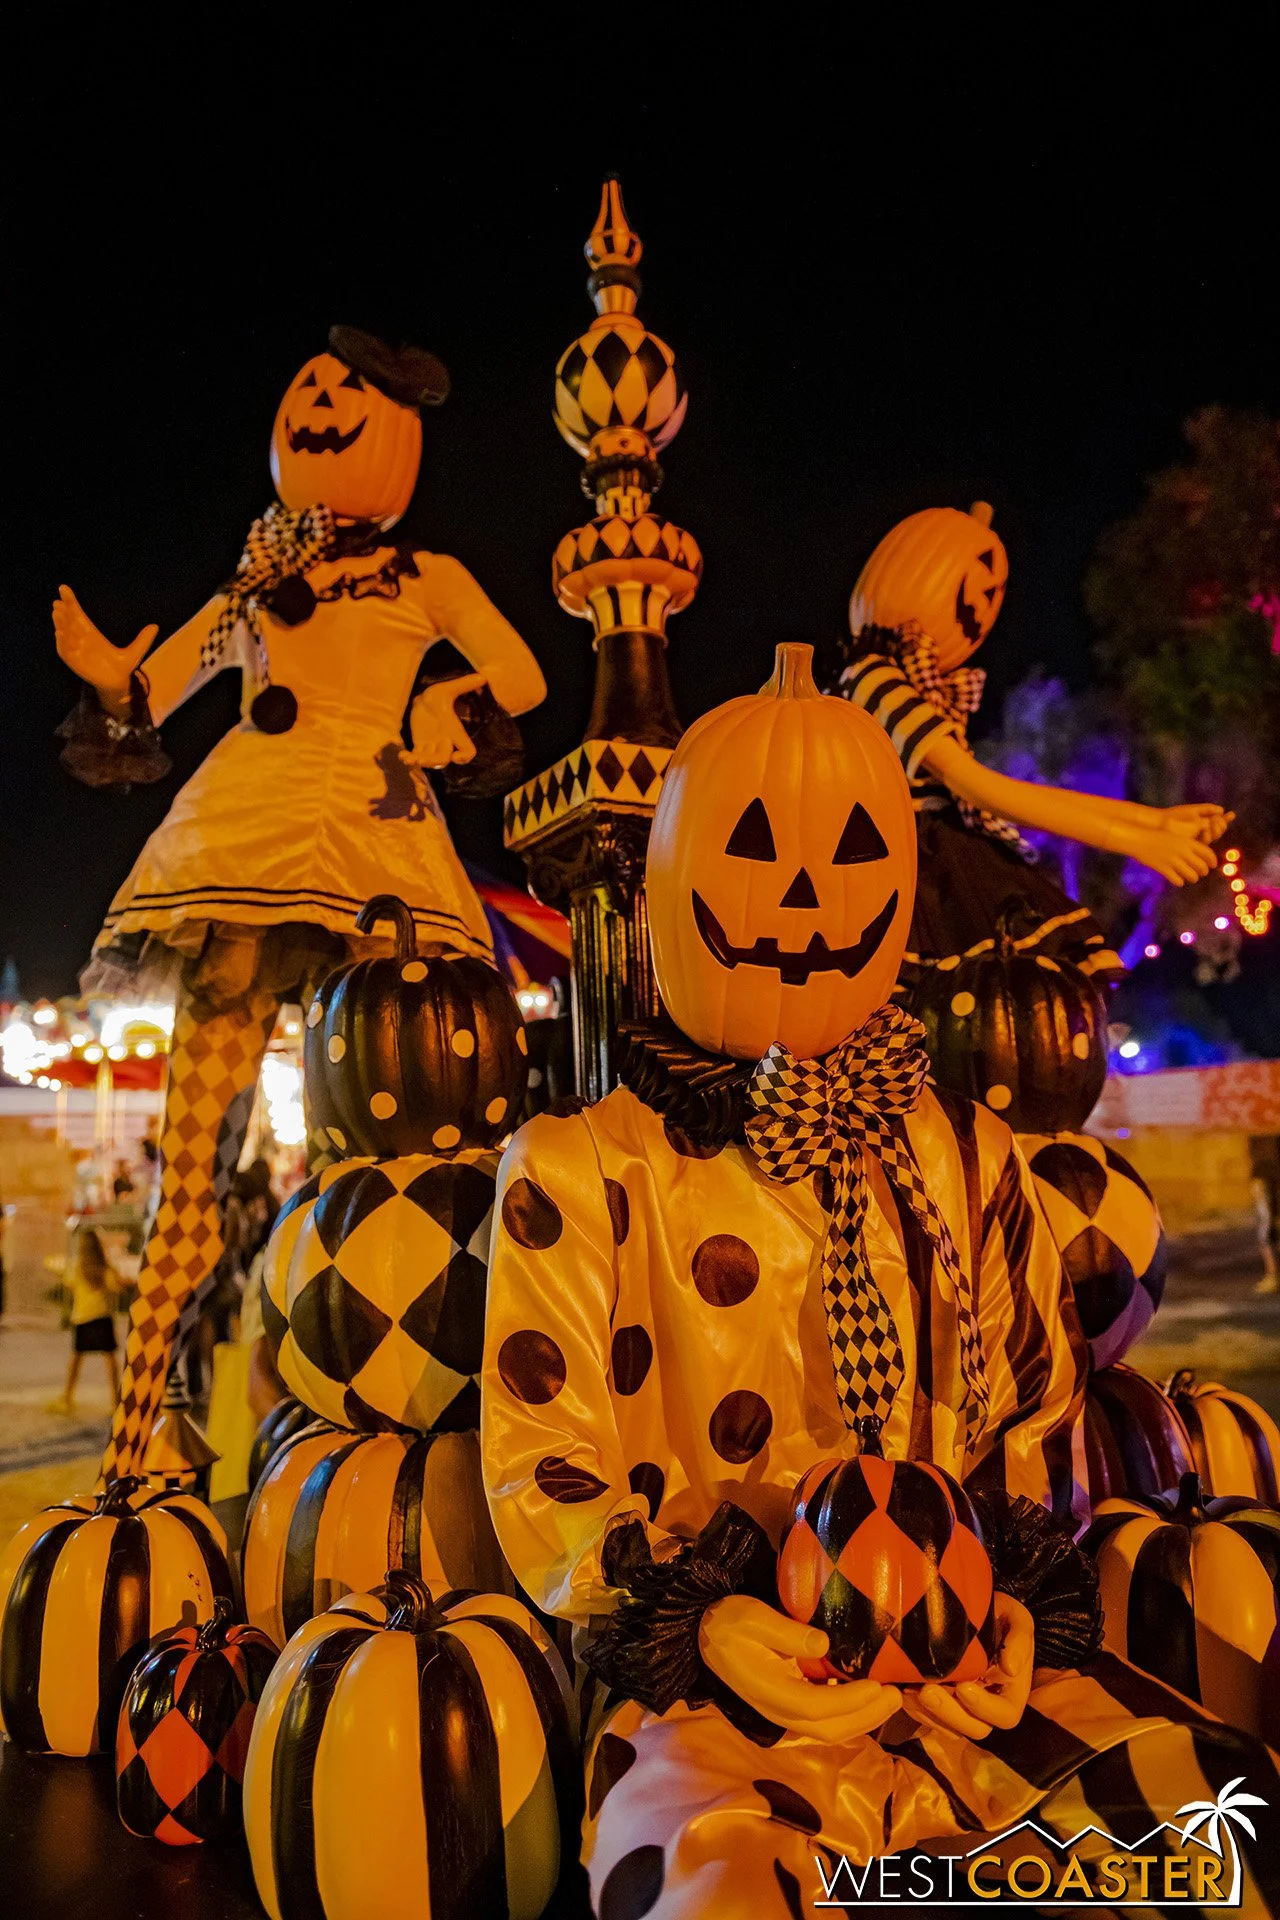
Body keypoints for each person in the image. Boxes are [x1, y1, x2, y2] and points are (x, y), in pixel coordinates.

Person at [482, 646, 1279, 1920]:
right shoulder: (584, 1167)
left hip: (969, 1678)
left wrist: (1012, 1604)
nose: (804, 893)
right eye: (752, 844)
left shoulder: (970, 1151)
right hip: (720, 1697)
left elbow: (1029, 1419)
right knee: (722, 1892)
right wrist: (703, 1622)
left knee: (1215, 1844)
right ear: (671, 880)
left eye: (852, 850)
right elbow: (544, 1460)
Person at [52, 326, 546, 1480]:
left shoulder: (424, 576)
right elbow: (160, 687)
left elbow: (522, 678)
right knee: (192, 1164)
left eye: (344, 391)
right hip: (247, 842)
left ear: (394, 426)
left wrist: (451, 701)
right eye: (309, 388)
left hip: (373, 845)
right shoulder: (256, 579)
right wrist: (114, 679)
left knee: (388, 1139)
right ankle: (139, 1441)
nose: (318, 403)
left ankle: (396, 1414)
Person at [829, 503, 1229, 989]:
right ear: (913, 572)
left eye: (993, 597)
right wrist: (1133, 841)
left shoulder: (915, 687)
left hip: (939, 863)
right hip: (900, 870)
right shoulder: (872, 676)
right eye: (974, 589)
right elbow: (979, 788)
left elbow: (996, 794)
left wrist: (1153, 821)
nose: (982, 610)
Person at [48, 1226, 121, 1417]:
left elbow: (69, 1283)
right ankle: (115, 1402)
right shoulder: (104, 1268)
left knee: (76, 1359)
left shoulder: (77, 1267)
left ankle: (67, 1397)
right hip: (102, 1316)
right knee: (110, 1361)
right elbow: (116, 1285)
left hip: (82, 1317)